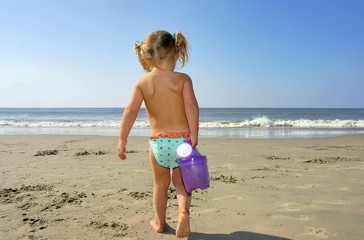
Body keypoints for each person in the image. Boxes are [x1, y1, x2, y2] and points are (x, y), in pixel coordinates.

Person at [117, 30, 199, 238]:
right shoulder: (183, 79)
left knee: (160, 184)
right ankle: (183, 214)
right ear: (177, 54)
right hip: (182, 141)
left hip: (159, 143)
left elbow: (130, 111)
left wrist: (122, 138)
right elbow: (191, 106)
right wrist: (194, 134)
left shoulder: (142, 83)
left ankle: (160, 222)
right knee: (181, 183)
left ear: (146, 59)